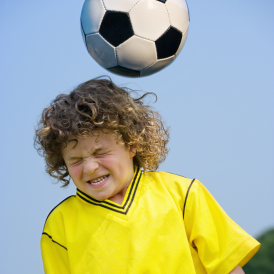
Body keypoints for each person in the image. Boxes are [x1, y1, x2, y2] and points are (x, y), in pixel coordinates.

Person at [35, 77, 260, 274]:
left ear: (132, 143)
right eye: (76, 160)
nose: (90, 167)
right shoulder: (59, 226)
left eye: (100, 152)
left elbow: (227, 267)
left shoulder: (182, 195)